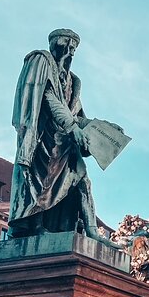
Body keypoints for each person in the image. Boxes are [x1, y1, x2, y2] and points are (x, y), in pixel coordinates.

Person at [8, 28, 119, 246]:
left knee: (82, 179)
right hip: (42, 139)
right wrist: (72, 127)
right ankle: (37, 227)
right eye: (66, 44)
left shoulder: (72, 81)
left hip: (65, 142)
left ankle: (93, 232)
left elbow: (77, 115)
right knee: (40, 183)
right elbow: (48, 98)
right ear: (54, 44)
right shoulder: (41, 61)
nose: (70, 51)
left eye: (74, 48)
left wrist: (105, 128)